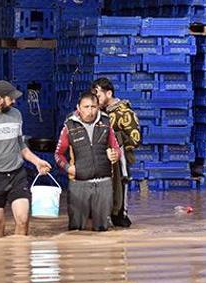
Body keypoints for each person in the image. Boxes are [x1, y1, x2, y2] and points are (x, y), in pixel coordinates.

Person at [0, 80, 52, 238]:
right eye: (10, 98)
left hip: (17, 175)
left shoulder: (16, 115)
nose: (14, 101)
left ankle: (20, 260)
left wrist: (37, 161)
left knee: (23, 220)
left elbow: (21, 146)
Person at [53, 91, 120, 231]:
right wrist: (68, 168)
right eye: (86, 107)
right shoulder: (69, 127)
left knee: (103, 230)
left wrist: (115, 155)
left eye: (93, 107)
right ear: (79, 107)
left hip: (104, 183)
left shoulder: (106, 123)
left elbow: (116, 147)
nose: (90, 111)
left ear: (98, 107)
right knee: (76, 230)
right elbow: (58, 154)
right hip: (79, 183)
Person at [91, 78, 141, 228]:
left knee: (120, 187)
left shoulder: (124, 112)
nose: (96, 99)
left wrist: (117, 141)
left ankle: (120, 215)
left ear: (109, 93)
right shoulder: (96, 112)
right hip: (101, 161)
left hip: (120, 160)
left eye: (98, 95)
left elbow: (135, 139)